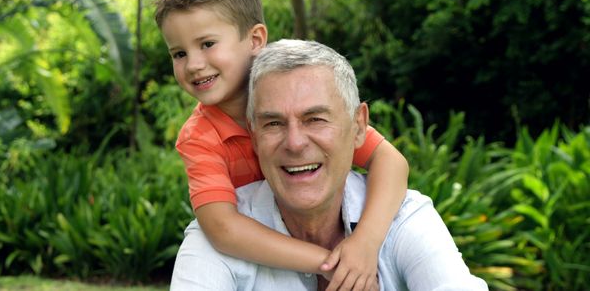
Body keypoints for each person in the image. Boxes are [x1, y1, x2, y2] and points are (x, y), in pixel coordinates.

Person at [154, 0, 409, 289]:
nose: (193, 64)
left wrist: (365, 243)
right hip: (265, 265)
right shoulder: (200, 137)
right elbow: (223, 229)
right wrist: (328, 261)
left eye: (207, 43)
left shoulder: (301, 98)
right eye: (179, 53)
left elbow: (391, 161)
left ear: (255, 39)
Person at [171, 39, 489, 290]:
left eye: (316, 119)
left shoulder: (404, 219)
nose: (295, 143)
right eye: (273, 124)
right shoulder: (214, 239)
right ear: (253, 137)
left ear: (359, 126)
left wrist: (365, 242)